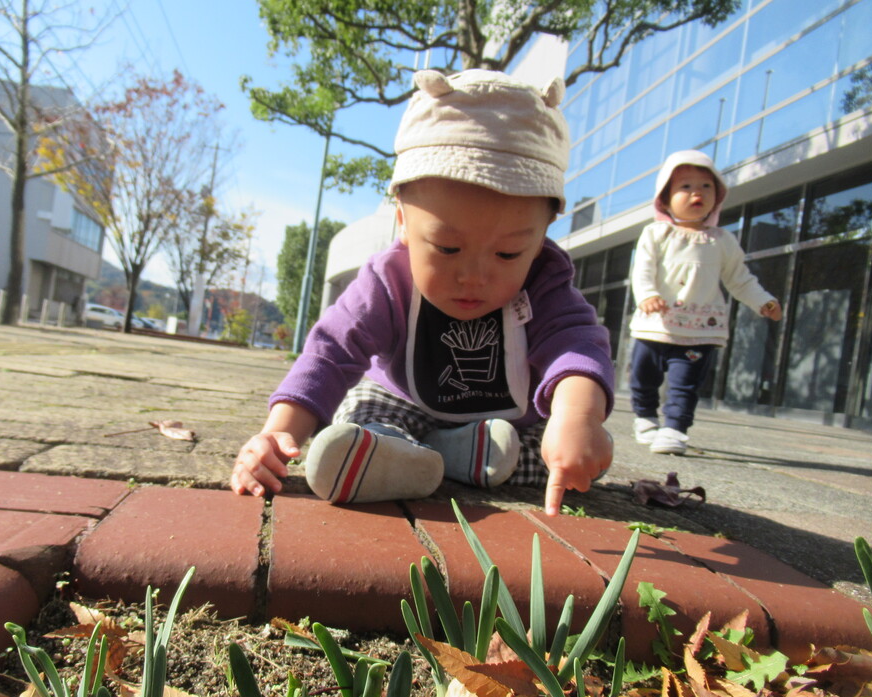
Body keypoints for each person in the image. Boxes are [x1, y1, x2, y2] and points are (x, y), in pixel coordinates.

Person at [231, 69, 614, 516]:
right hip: (402, 402)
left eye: (508, 253)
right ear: (403, 222)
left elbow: (577, 345)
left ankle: (431, 458)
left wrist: (577, 417)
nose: (473, 276)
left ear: (543, 234)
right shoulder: (387, 281)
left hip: (504, 427)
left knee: (578, 450)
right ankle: (424, 454)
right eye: (447, 248)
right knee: (357, 416)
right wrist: (280, 433)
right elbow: (331, 352)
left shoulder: (546, 282)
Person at [629, 149, 783, 455]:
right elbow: (642, 270)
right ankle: (645, 418)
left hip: (700, 330)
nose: (696, 192)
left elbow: (740, 278)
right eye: (685, 186)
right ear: (665, 197)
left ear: (718, 196)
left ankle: (675, 429)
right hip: (654, 327)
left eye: (705, 186)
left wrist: (763, 301)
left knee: (684, 385)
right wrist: (647, 295)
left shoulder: (723, 240)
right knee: (642, 377)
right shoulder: (656, 233)